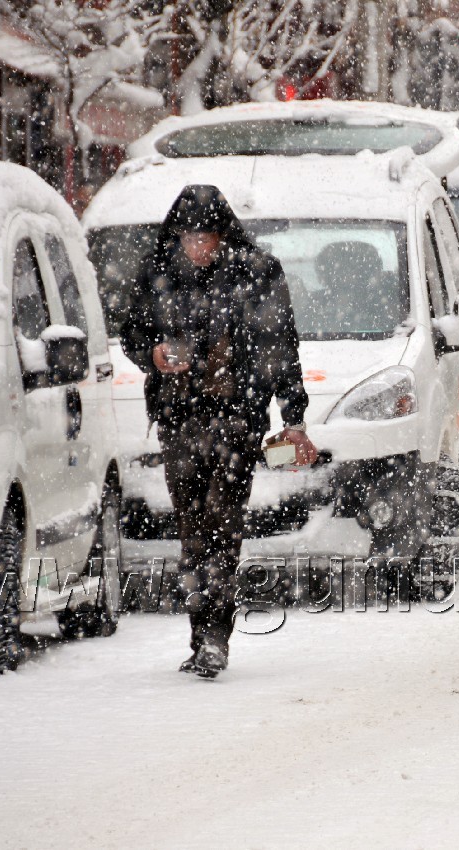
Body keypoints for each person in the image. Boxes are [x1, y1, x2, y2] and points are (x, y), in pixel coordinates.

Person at [121, 185, 317, 678]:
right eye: (189, 238)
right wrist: (154, 354)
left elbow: (280, 348)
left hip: (236, 420)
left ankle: (215, 637)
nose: (198, 247)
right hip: (178, 419)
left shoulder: (257, 273)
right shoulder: (158, 272)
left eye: (205, 237)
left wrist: (293, 419)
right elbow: (132, 332)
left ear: (223, 235)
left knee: (222, 523)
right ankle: (199, 633)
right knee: (191, 529)